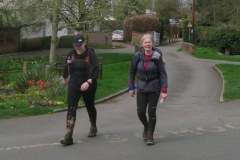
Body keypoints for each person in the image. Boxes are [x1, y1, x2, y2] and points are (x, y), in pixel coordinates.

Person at [128, 34, 168, 145]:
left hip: (154, 88)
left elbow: (163, 74)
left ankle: (150, 134)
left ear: (153, 44)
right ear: (142, 44)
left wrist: (164, 90)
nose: (147, 44)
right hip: (141, 87)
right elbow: (131, 71)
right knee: (140, 112)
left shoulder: (157, 57)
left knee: (151, 112)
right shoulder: (137, 56)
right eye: (145, 43)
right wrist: (131, 87)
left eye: (149, 42)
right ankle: (146, 127)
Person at [60, 35, 100, 145]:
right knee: (71, 107)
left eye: (80, 45)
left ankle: (93, 126)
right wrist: (64, 77)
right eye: (76, 46)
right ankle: (68, 136)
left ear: (84, 43)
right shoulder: (71, 53)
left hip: (88, 82)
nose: (78, 48)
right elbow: (67, 65)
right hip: (74, 81)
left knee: (89, 105)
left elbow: (96, 70)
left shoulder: (90, 53)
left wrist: (89, 82)